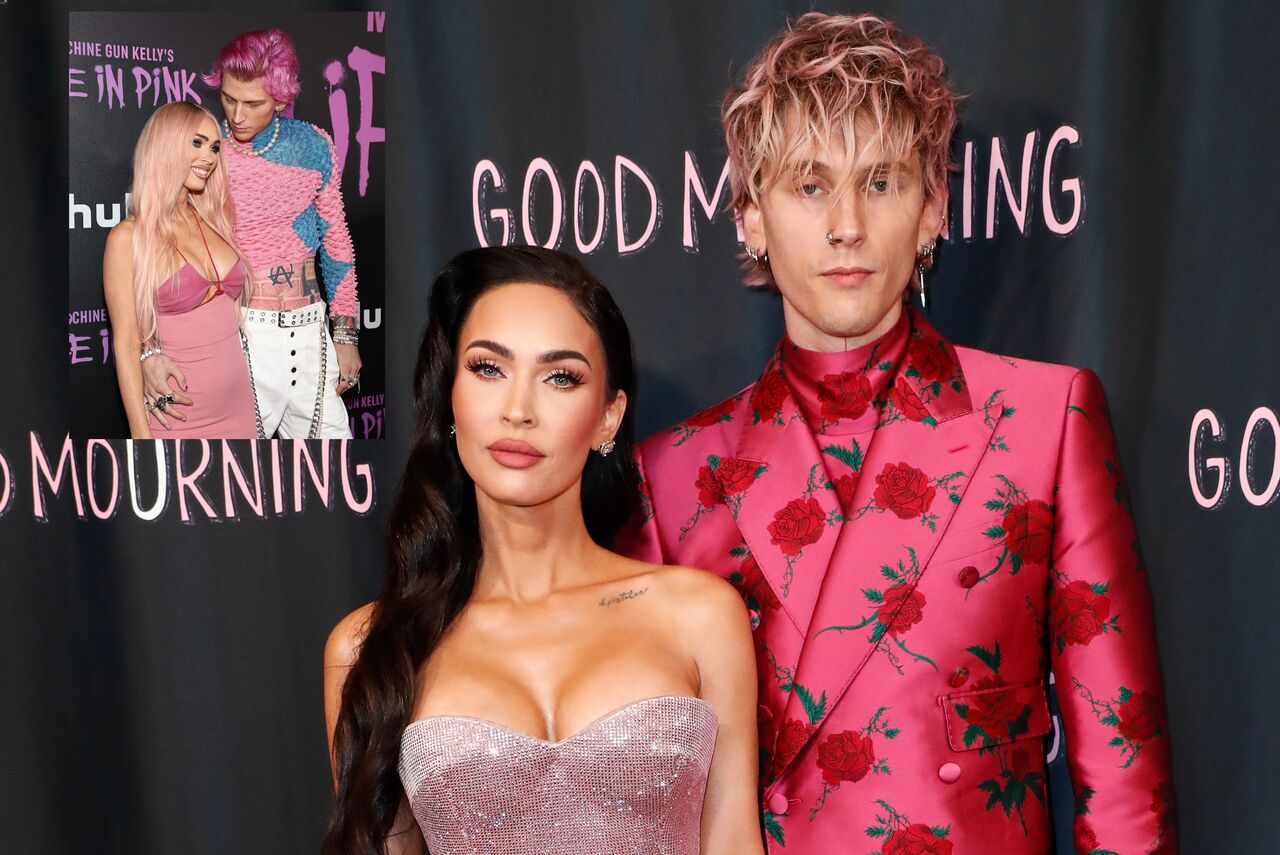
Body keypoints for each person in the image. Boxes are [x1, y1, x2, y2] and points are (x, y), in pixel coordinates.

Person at [618, 13, 1175, 854]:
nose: (847, 223)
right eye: (810, 186)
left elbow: (1125, 780)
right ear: (751, 216)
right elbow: (647, 804)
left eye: (880, 182)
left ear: (933, 209)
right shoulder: (669, 477)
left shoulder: (1044, 422)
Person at [322, 247, 764, 855]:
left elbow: (734, 842)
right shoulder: (369, 648)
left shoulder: (700, 615)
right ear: (450, 397)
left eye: (561, 377)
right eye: (488, 369)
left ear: (608, 418)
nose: (518, 411)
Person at [144, 28, 359, 439]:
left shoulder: (315, 146)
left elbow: (336, 241)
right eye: (229, 99)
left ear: (280, 99)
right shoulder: (208, 153)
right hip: (239, 333)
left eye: (253, 103)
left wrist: (346, 334)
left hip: (311, 332)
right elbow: (156, 252)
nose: (237, 115)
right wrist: (149, 349)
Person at [102, 101, 257, 439]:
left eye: (214, 147)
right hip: (179, 417)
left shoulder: (214, 221)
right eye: (197, 143)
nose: (209, 157)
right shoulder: (127, 239)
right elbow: (126, 344)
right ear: (166, 146)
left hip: (240, 410)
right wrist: (141, 440)